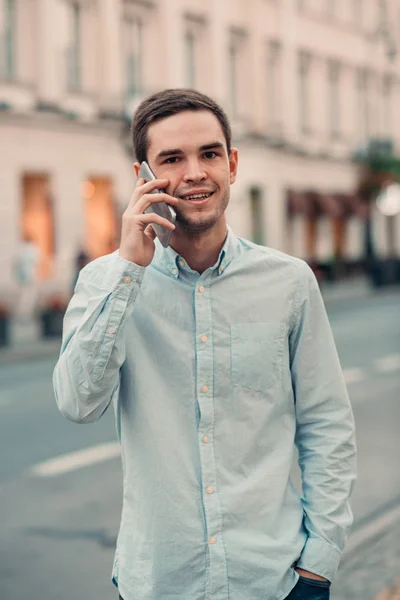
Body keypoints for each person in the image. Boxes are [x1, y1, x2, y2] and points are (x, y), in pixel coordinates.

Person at [53, 89, 356, 600]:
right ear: (143, 177)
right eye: (172, 158)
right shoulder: (104, 282)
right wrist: (129, 271)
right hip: (159, 583)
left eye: (209, 154)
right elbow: (78, 403)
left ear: (232, 164)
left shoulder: (290, 282)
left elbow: (326, 424)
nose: (195, 172)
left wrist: (319, 562)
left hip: (275, 581)